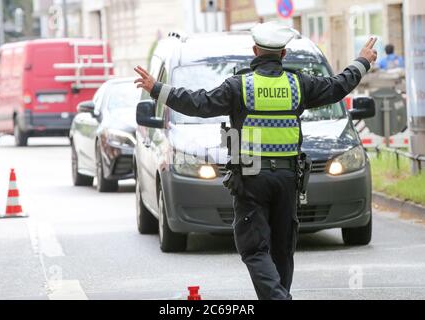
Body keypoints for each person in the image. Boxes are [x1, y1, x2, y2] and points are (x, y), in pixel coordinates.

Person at [134, 21, 378, 300]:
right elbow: (337, 87)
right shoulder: (298, 84)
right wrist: (362, 62)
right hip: (288, 178)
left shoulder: (239, 86)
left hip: (251, 177)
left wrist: (157, 89)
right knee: (282, 249)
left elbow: (198, 103)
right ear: (283, 55)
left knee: (254, 249)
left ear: (255, 52)